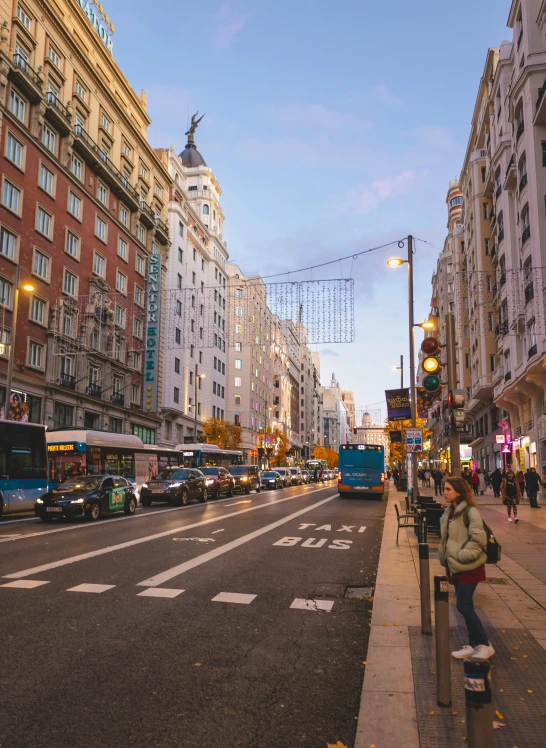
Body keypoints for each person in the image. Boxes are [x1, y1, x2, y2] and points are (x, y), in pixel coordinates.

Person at [439, 477, 494, 662]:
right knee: (466, 605)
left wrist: (461, 556)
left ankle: (485, 644)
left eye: (448, 489)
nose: (444, 492)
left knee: (463, 605)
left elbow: (479, 540)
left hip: (469, 567)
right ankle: (473, 645)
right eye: (444, 489)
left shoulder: (470, 512)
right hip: (457, 567)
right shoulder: (450, 511)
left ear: (459, 491)